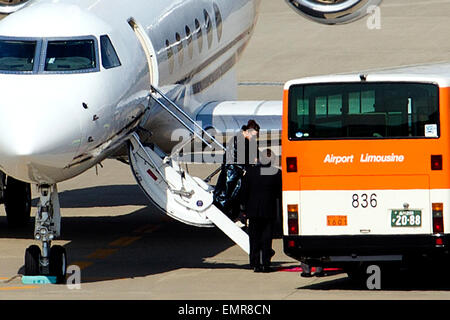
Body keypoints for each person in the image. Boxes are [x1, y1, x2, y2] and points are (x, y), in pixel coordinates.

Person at [240, 148, 281, 273]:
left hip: (253, 210)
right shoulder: (276, 173)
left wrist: (243, 208)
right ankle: (266, 264)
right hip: (269, 210)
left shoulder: (250, 172)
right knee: (267, 238)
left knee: (254, 238)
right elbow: (279, 193)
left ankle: (254, 263)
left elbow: (244, 192)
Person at [213, 120, 260, 220]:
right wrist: (244, 169)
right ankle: (226, 215)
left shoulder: (249, 141)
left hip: (240, 173)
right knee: (227, 196)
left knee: (236, 197)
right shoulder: (236, 140)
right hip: (232, 173)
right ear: (247, 131)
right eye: (254, 135)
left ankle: (234, 215)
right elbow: (233, 159)